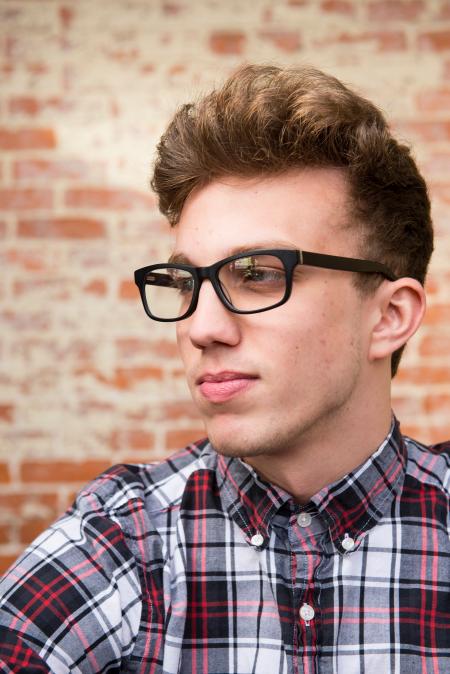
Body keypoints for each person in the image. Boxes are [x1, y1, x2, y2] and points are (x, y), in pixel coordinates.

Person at [0, 64, 449, 674]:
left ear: (389, 315)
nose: (201, 327)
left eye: (259, 274)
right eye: (186, 281)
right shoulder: (127, 538)